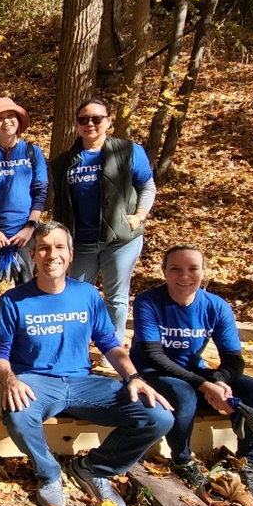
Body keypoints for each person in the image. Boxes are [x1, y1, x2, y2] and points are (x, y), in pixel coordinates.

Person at [0, 221, 173, 506]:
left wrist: (133, 377)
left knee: (159, 417)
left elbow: (109, 343)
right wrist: (10, 380)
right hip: (37, 382)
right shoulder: (13, 300)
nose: (53, 255)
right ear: (33, 254)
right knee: (18, 414)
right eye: (44, 248)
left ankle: (93, 468)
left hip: (84, 383)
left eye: (60, 247)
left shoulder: (87, 294)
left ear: (71, 254)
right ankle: (48, 475)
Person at [131, 245, 253, 506]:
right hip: (152, 371)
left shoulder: (216, 306)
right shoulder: (148, 301)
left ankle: (247, 464)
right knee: (184, 395)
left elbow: (234, 360)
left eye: (192, 269)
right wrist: (205, 385)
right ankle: (182, 460)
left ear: (203, 272)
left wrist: (219, 382)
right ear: (163, 271)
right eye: (175, 269)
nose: (184, 276)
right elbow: (154, 356)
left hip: (195, 370)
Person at [50, 98, 156, 344]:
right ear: (76, 125)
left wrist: (139, 215)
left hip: (120, 240)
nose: (90, 124)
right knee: (75, 296)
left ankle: (113, 347)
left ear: (108, 121)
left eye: (97, 119)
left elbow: (147, 185)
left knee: (115, 297)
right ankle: (78, 345)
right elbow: (60, 202)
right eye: (83, 119)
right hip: (80, 242)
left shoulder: (128, 151)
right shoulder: (63, 162)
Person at [0, 97, 48, 360]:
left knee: (26, 286)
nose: (6, 122)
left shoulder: (32, 153)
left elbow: (40, 191)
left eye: (11, 116)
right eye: (0, 118)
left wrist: (29, 227)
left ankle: (23, 337)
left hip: (23, 235)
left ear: (19, 121)